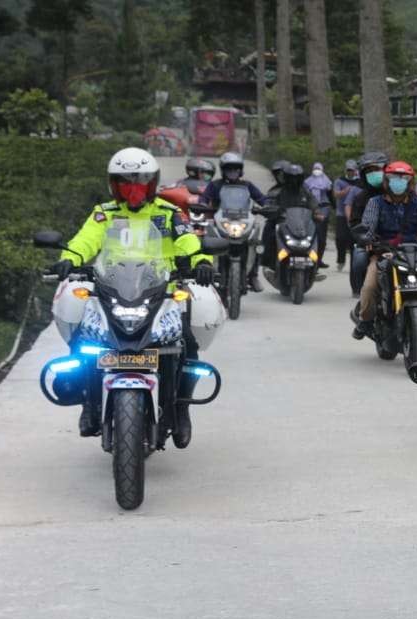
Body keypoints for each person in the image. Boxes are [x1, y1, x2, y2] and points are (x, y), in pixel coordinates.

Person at [47, 147, 214, 446]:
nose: (133, 191)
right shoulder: (105, 214)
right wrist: (69, 259)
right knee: (85, 337)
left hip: (161, 289)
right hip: (113, 287)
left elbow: (188, 239)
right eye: (126, 184)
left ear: (151, 185)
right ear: (115, 186)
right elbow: (85, 240)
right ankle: (87, 402)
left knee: (186, 342)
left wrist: (201, 262)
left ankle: (182, 407)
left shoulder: (169, 214)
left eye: (139, 184)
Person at [349, 160, 417, 339]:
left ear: (410, 182)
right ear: (387, 180)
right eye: (394, 177)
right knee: (370, 287)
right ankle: (366, 320)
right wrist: (367, 239)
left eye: (404, 178)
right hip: (383, 253)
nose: (399, 181)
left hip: (413, 253)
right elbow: (368, 226)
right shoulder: (375, 202)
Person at [198, 150, 270, 292]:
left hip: (242, 220)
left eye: (236, 169)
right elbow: (204, 199)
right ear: (223, 170)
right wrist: (201, 205)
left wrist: (267, 206)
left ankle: (253, 275)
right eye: (229, 169)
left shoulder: (247, 185)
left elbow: (262, 198)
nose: (233, 172)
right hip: (219, 220)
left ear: (240, 170)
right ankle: (208, 271)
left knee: (256, 242)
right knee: (205, 240)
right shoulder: (215, 185)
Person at [261, 161, 319, 276]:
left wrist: (317, 213)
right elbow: (267, 204)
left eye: (296, 178)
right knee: (269, 234)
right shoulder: (276, 192)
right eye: (291, 178)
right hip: (282, 224)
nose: (294, 181)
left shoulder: (305, 192)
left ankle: (316, 265)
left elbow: (313, 204)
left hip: (302, 225)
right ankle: (268, 262)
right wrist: (269, 210)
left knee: (319, 236)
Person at [346, 150, 389, 297]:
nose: (373, 173)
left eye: (376, 169)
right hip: (371, 242)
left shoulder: (398, 193)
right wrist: (364, 239)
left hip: (398, 240)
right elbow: (354, 222)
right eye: (369, 171)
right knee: (358, 259)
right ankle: (359, 291)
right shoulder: (360, 197)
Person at [332, 159, 360, 270]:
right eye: (348, 170)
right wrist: (346, 190)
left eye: (352, 170)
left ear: (355, 170)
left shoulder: (359, 181)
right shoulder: (339, 181)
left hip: (355, 214)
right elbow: (336, 194)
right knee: (340, 238)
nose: (350, 172)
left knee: (353, 240)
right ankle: (341, 260)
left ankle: (354, 263)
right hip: (341, 214)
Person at [304, 161, 332, 268]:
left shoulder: (327, 182)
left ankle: (319, 259)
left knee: (321, 237)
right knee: (310, 235)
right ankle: (309, 258)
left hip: (323, 209)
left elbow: (330, 196)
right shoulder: (307, 182)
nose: (317, 171)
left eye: (319, 169)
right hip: (310, 209)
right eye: (315, 168)